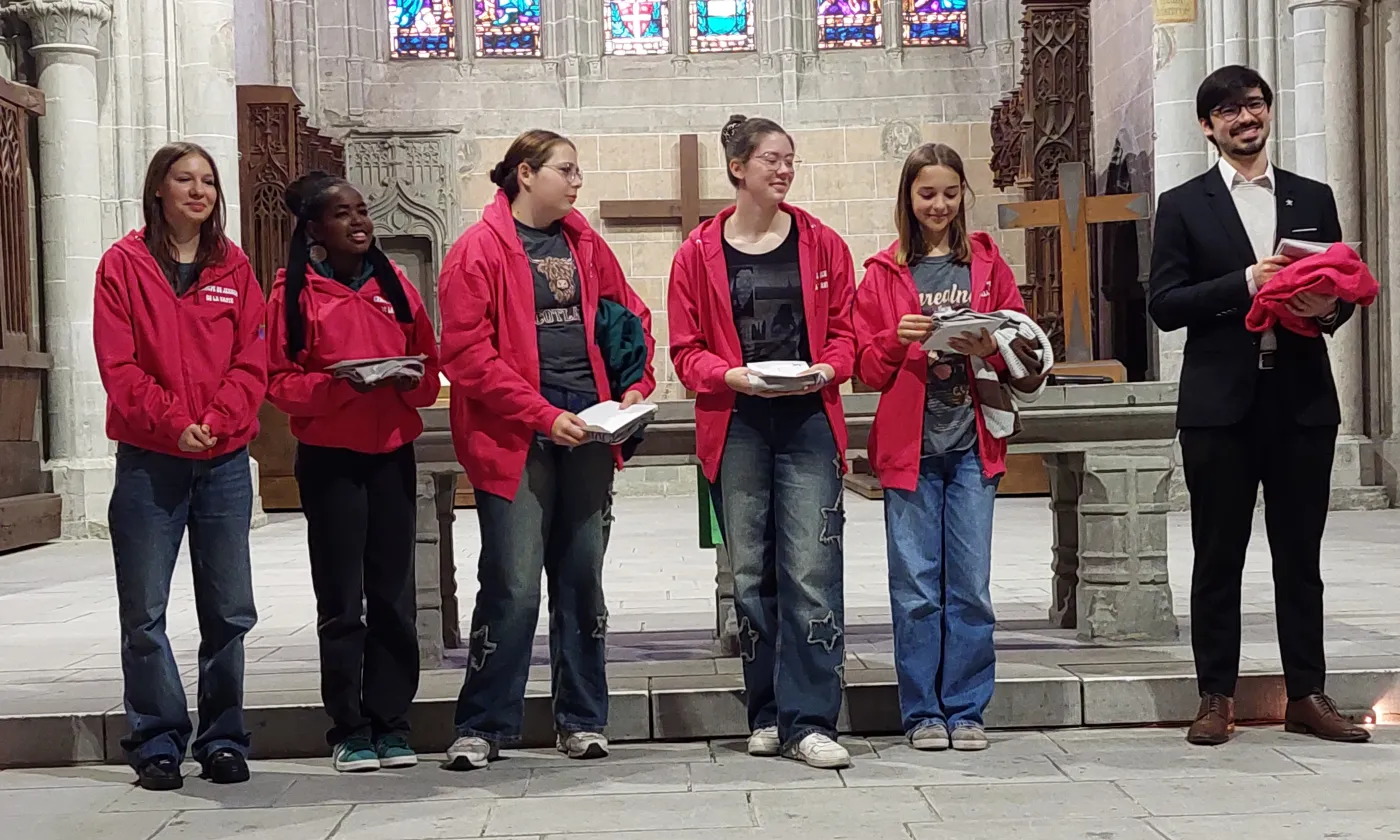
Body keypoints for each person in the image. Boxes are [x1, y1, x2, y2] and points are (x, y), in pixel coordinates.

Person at [1148, 65, 1369, 746]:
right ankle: (1216, 696)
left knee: (1299, 556)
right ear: (1207, 126)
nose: (1245, 118)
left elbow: (1341, 292)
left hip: (1300, 399)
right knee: (1219, 554)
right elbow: (1164, 305)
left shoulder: (1313, 196)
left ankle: (1307, 692)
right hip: (1220, 404)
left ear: (1268, 111)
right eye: (1227, 110)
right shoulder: (1183, 204)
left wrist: (1325, 308)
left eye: (1253, 105)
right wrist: (1244, 281)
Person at [439, 129, 656, 770]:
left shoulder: (585, 243)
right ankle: (483, 725)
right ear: (526, 174)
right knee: (512, 585)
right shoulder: (477, 250)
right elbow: (467, 355)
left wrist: (635, 386)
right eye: (567, 169)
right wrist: (541, 413)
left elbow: (628, 316)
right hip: (516, 437)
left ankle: (584, 719)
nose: (577, 180)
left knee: (581, 579)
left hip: (587, 430)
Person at [668, 115, 856, 770]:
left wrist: (829, 368)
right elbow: (685, 351)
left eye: (790, 159)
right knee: (751, 577)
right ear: (738, 168)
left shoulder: (822, 243)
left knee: (810, 570)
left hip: (806, 417)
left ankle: (810, 720)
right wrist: (729, 374)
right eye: (772, 158)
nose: (784, 169)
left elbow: (845, 332)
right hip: (738, 420)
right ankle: (767, 712)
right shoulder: (697, 254)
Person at [854, 143, 1039, 752]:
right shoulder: (883, 273)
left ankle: (965, 708)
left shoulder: (987, 263)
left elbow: (1021, 343)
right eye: (926, 193)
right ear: (908, 198)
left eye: (950, 192)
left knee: (970, 586)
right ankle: (921, 712)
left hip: (972, 445)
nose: (938, 204)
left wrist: (990, 346)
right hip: (909, 449)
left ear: (964, 194)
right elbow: (864, 369)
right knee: (915, 588)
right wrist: (893, 339)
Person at [93, 142, 265, 790]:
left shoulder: (234, 266)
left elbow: (252, 358)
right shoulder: (123, 265)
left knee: (229, 611)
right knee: (144, 612)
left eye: (208, 182)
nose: (199, 190)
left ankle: (222, 738)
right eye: (185, 179)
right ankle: (157, 739)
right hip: (149, 461)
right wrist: (174, 423)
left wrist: (216, 422)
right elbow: (120, 365)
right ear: (158, 189)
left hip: (221, 461)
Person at [266, 172, 442, 772]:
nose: (359, 221)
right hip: (331, 460)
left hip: (390, 451)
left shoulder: (397, 289)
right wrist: (337, 384)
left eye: (363, 210)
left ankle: (393, 724)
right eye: (342, 214)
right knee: (343, 600)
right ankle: (349, 728)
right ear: (315, 229)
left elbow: (429, 375)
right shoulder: (293, 293)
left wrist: (407, 376)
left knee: (393, 596)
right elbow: (281, 384)